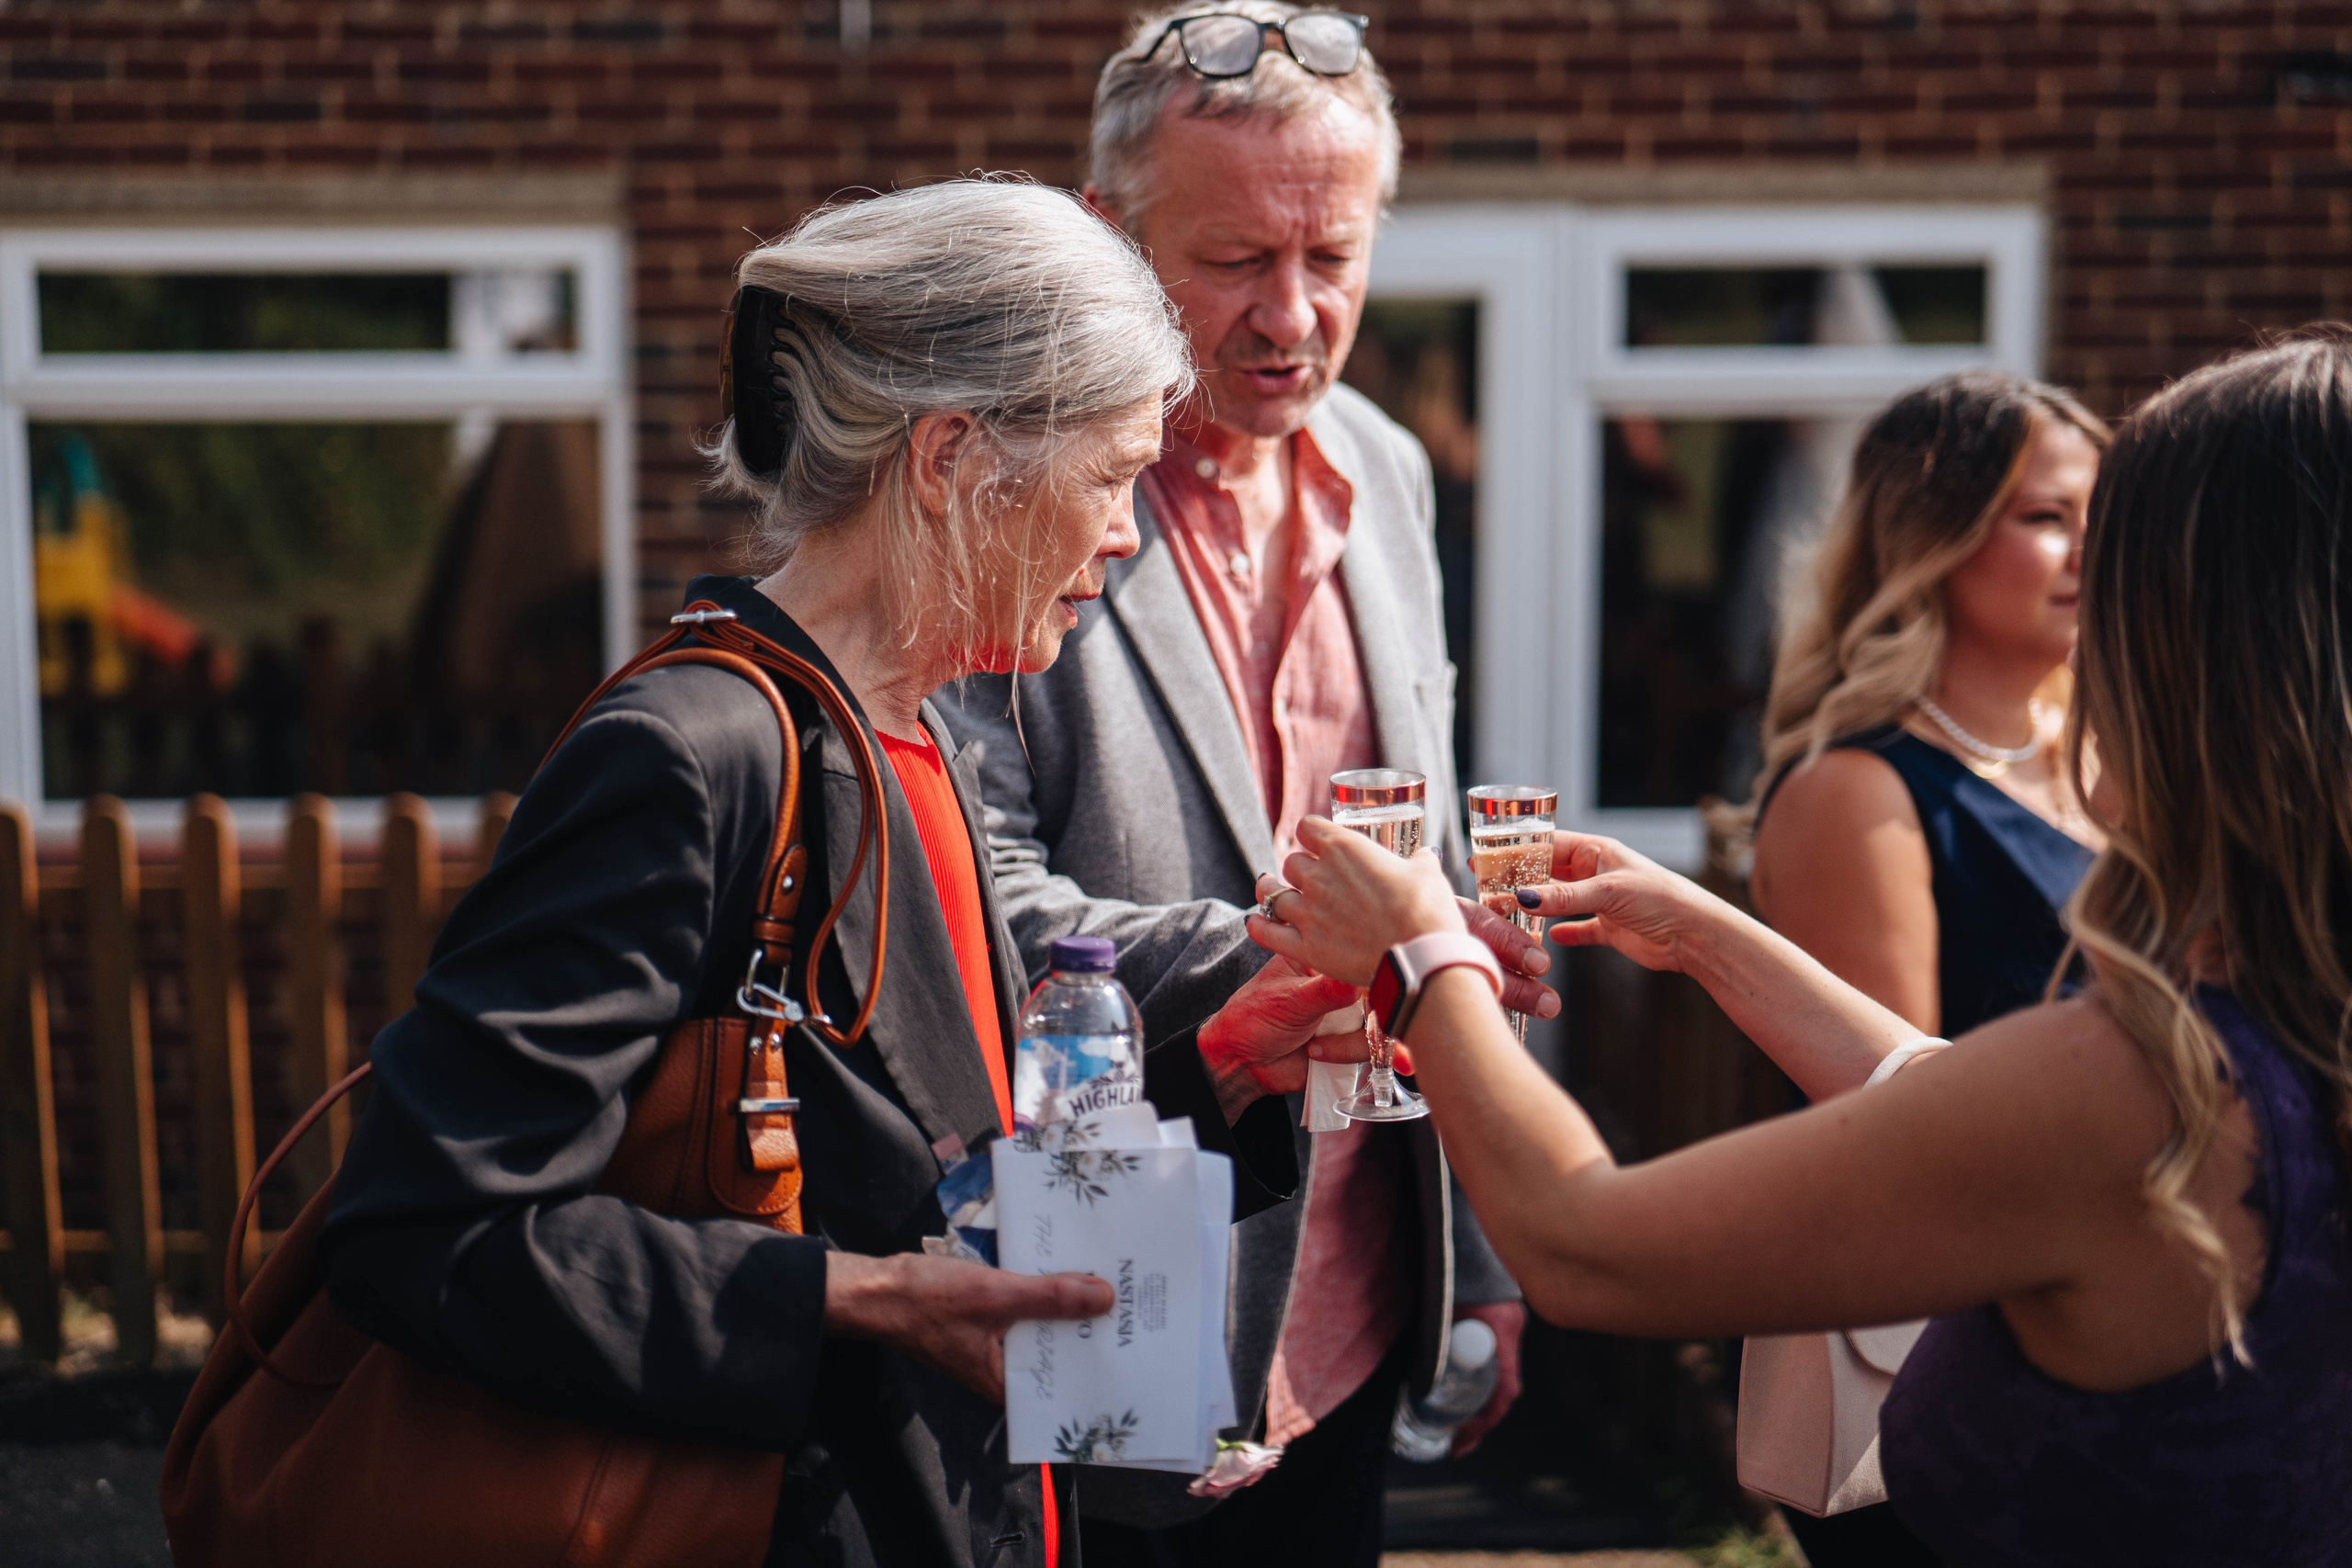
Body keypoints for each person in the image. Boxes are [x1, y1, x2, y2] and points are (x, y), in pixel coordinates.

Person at [315, 180, 1369, 1568]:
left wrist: (1218, 1069)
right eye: (1112, 476)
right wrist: (858, 1301)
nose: (1128, 534)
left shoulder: (905, 732)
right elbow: (422, 1227)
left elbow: (914, 1167)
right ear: (949, 457)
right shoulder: (686, 757)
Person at [1250, 329, 2352, 1566]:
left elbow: (1585, 1242)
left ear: (2183, 659)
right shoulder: (2289, 1020)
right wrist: (1717, 941)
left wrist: (1421, 960)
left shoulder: (2143, 1085)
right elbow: (1954, 1096)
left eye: (2119, 568)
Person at [938, 8, 1542, 1563]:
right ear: (1106, 236)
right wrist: (1336, 942)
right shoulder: (1003, 494)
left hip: (1358, 1306)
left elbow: (1425, 858)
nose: (1293, 317)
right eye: (1232, 263)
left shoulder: (1392, 473)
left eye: (1331, 257)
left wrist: (1479, 1257)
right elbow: (976, 899)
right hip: (1107, 1313)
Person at [1736, 372, 2109, 1562]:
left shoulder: (2111, 765)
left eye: (2105, 515)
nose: (2088, 550)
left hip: (2114, 1338)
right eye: (2048, 515)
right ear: (1932, 536)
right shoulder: (1861, 790)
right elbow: (1900, 1117)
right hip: (1963, 1382)